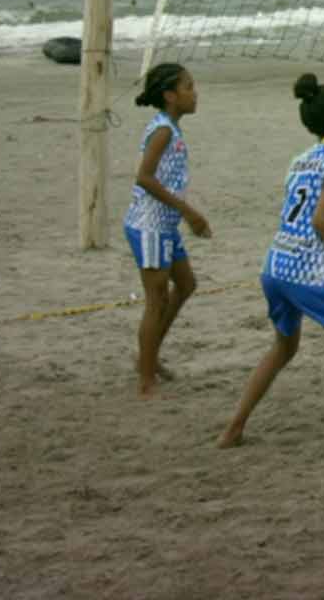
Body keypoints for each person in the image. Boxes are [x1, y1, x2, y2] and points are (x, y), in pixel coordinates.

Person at [217, 74, 324, 453]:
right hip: (308, 270)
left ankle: (232, 430)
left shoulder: (300, 159)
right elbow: (321, 220)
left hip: (275, 265)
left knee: (283, 348)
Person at [123, 63, 211, 399]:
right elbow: (144, 177)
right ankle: (146, 377)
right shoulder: (161, 130)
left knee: (186, 284)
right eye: (189, 87)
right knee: (156, 301)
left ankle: (149, 356)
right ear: (170, 96)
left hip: (165, 224)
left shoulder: (171, 127)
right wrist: (189, 212)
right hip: (149, 224)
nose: (195, 93)